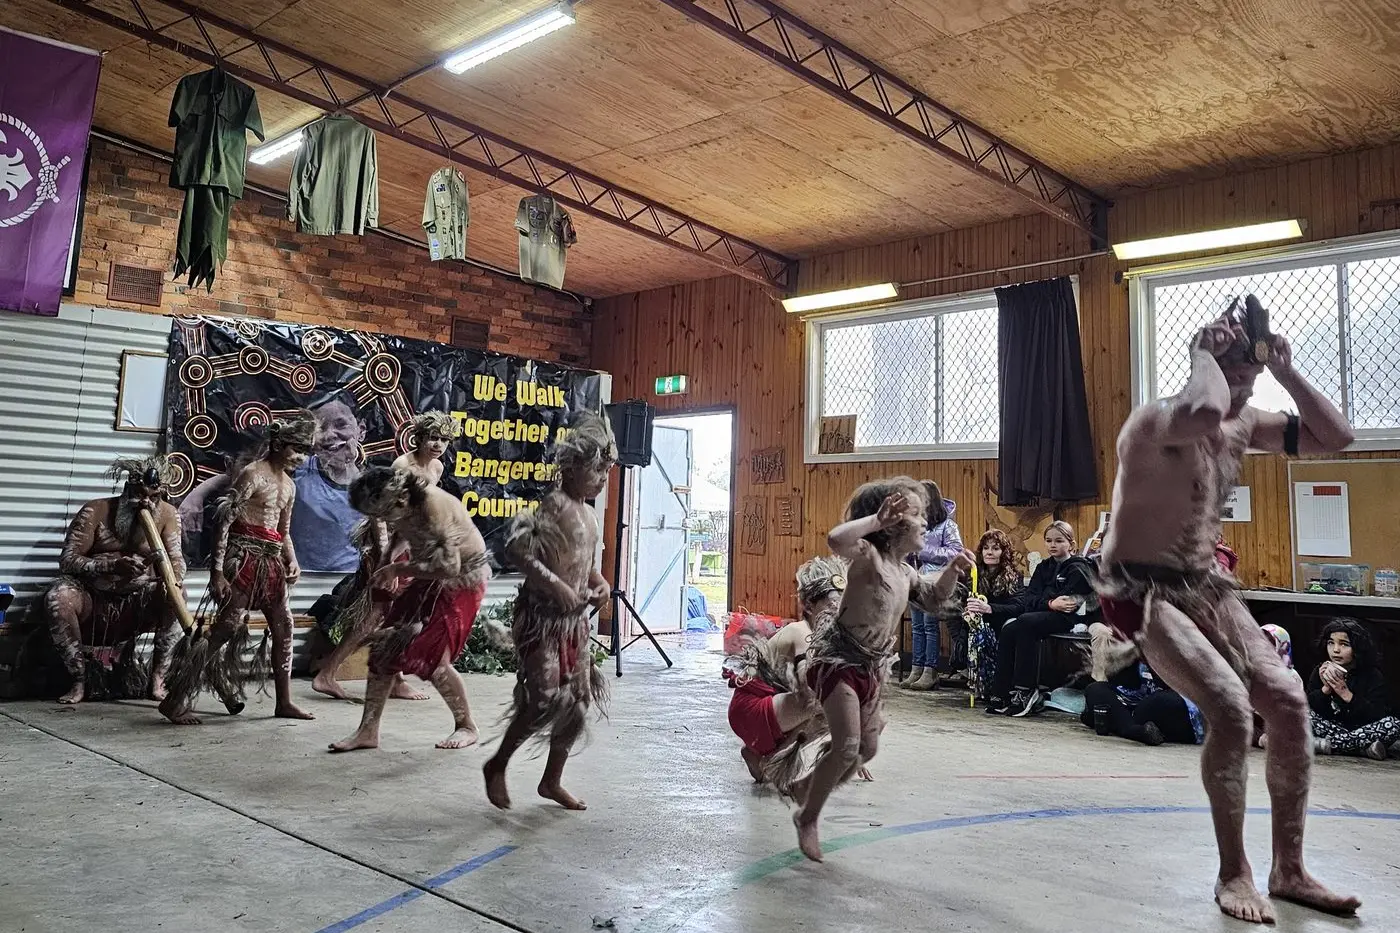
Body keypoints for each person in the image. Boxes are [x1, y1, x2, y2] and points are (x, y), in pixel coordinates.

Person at [1096, 295, 1359, 923]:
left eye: (1251, 372)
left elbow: (1339, 437)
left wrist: (1288, 369)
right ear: (1208, 366)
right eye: (1233, 370)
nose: (1243, 384)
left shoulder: (1248, 422)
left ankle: (1288, 869)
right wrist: (1201, 349)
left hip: (1204, 582)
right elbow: (1205, 405)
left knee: (1290, 704)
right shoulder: (1158, 421)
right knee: (1230, 709)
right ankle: (1233, 872)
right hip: (1139, 590)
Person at [791, 477, 972, 862]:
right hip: (838, 662)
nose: (925, 523)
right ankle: (807, 817)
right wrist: (875, 520)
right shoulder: (867, 558)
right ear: (893, 525)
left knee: (866, 750)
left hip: (870, 668)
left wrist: (953, 568)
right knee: (847, 748)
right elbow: (836, 539)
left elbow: (936, 599)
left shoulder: (905, 572)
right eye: (918, 516)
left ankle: (807, 783)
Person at [483, 410, 615, 812]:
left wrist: (600, 585)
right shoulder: (554, 504)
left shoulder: (591, 515)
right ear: (572, 469)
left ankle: (551, 781)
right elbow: (518, 551)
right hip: (543, 620)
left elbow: (587, 565)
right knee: (541, 698)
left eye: (607, 472)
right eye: (597, 471)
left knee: (577, 701)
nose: (603, 479)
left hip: (575, 623)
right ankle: (498, 763)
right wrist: (555, 586)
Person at [160, 414, 319, 725]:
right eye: (296, 449)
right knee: (227, 627)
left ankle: (284, 702)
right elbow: (224, 521)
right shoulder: (252, 474)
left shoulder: (289, 486)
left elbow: (283, 530)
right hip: (242, 557)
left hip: (270, 561)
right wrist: (217, 572)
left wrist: (293, 559)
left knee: (284, 627)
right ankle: (174, 698)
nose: (301, 457)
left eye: (305, 451)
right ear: (277, 444)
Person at [328, 465, 490, 752]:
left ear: (401, 500)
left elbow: (449, 566)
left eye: (381, 514)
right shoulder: (401, 503)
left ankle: (467, 725)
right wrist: (388, 557)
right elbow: (402, 531)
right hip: (428, 573)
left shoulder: (434, 509)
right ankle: (367, 732)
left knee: (434, 660)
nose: (379, 520)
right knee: (383, 650)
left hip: (461, 579)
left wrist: (398, 568)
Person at [311, 410, 460, 702]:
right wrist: (385, 560)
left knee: (402, 616)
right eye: (433, 437)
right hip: (389, 548)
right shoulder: (402, 465)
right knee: (377, 615)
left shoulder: (437, 468)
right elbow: (380, 513)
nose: (438, 444)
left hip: (411, 547)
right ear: (418, 437)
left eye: (444, 439)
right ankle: (327, 673)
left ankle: (395, 678)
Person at [42, 457, 186, 704]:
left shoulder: (168, 515)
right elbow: (67, 560)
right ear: (126, 489)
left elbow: (177, 562)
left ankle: (158, 681)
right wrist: (109, 566)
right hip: (94, 602)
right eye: (139, 494)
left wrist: (162, 574)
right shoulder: (96, 511)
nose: (146, 502)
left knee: (176, 595)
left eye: (154, 497)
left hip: (135, 605)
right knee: (59, 597)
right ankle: (79, 682)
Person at [726, 556, 872, 790]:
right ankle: (772, 759)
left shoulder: (828, 638)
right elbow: (812, 685)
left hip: (771, 711)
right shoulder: (801, 631)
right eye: (830, 605)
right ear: (810, 606)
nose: (837, 612)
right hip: (750, 709)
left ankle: (763, 758)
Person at [987, 521, 1094, 717]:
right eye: (1048, 541)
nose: (1053, 545)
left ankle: (1026, 689)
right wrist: (1051, 603)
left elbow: (1069, 604)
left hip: (1070, 620)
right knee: (1010, 628)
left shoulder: (1079, 567)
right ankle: (1001, 691)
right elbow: (1029, 599)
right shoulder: (1044, 566)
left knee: (1026, 622)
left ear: (1071, 543)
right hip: (1046, 613)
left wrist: (1046, 602)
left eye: (1059, 541)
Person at [1305, 618, 1400, 760]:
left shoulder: (1372, 675)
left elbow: (1377, 714)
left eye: (1344, 644)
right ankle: (1362, 749)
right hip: (1331, 729)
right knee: (1301, 714)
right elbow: (1312, 707)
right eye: (1331, 643)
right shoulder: (1321, 671)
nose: (1336, 650)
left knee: (1393, 724)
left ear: (1357, 648)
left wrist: (1346, 694)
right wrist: (1325, 690)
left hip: (1362, 730)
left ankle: (1329, 745)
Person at [290, 396, 366, 573]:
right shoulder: (295, 469)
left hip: (348, 582)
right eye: (321, 428)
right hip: (298, 580)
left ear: (360, 431)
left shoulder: (371, 488)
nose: (330, 434)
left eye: (341, 425)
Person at [899, 481, 962, 690]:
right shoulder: (915, 523)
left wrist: (924, 553)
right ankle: (916, 667)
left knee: (929, 625)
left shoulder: (948, 526)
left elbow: (955, 552)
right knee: (917, 626)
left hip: (935, 580)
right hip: (915, 580)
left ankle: (931, 669)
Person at [1081, 647, 1203, 746]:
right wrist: (1124, 659)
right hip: (1139, 700)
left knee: (1153, 704)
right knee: (1096, 689)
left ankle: (1114, 721)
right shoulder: (1136, 640)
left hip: (1180, 702)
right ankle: (1133, 730)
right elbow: (1122, 684)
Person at [964, 529, 1024, 701]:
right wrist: (966, 611)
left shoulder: (1014, 575)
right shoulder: (972, 575)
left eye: (995, 548)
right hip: (976, 629)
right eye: (986, 548)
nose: (989, 552)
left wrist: (989, 608)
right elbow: (959, 603)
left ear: (1003, 552)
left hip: (1001, 627)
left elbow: (1019, 607)